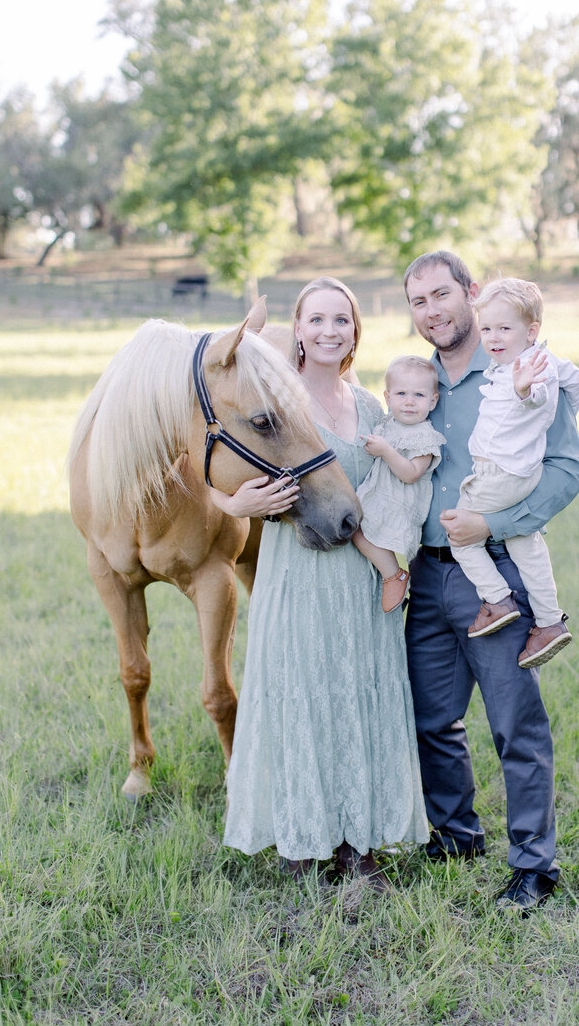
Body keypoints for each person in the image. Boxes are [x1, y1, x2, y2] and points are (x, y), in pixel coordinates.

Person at [218, 276, 429, 888]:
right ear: (299, 330)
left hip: (362, 581)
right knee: (302, 697)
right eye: (317, 320)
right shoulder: (272, 404)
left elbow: (398, 483)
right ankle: (302, 841)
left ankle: (358, 848)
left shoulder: (371, 409)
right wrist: (236, 506)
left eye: (342, 320)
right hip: (296, 573)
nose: (330, 330)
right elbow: (195, 469)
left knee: (357, 698)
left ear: (355, 331)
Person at [403, 251, 579, 914]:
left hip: (496, 574)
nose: (433, 310)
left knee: (516, 724)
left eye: (442, 294)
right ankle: (456, 832)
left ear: (470, 294)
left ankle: (535, 865)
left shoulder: (522, 371)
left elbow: (569, 469)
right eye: (418, 300)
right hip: (428, 576)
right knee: (431, 717)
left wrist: (493, 521)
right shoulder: (417, 384)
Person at [449, 277, 579, 669]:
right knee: (525, 541)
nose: (492, 337)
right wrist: (574, 401)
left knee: (461, 534)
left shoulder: (528, 368)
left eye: (504, 328)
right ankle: (548, 621)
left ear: (531, 331)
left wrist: (527, 391)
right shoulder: (540, 359)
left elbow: (537, 394)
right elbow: (572, 376)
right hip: (520, 474)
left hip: (498, 473)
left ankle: (496, 599)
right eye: (486, 328)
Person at [352, 355, 446, 613]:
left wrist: (386, 451)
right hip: (378, 495)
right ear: (388, 397)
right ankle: (390, 576)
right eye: (401, 393)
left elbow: (412, 473)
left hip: (398, 503)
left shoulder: (424, 436)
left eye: (418, 395)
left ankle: (394, 575)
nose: (409, 402)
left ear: (433, 400)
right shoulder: (387, 424)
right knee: (355, 529)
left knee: (357, 532)